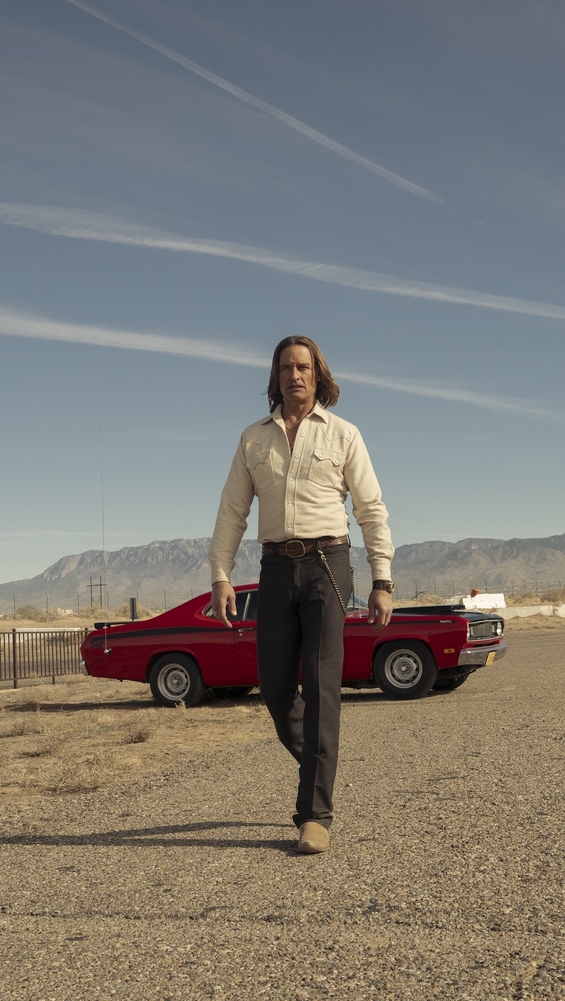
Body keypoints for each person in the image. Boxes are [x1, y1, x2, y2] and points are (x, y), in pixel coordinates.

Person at [209, 335, 394, 855]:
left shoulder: (344, 434)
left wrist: (382, 581)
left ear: (318, 375)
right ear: (275, 376)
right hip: (274, 568)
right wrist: (221, 575)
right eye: (286, 367)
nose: (295, 375)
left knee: (320, 685)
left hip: (328, 565)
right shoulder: (253, 439)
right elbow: (232, 511)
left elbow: (371, 509)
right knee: (273, 687)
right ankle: (320, 761)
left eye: (303, 368)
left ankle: (314, 814)